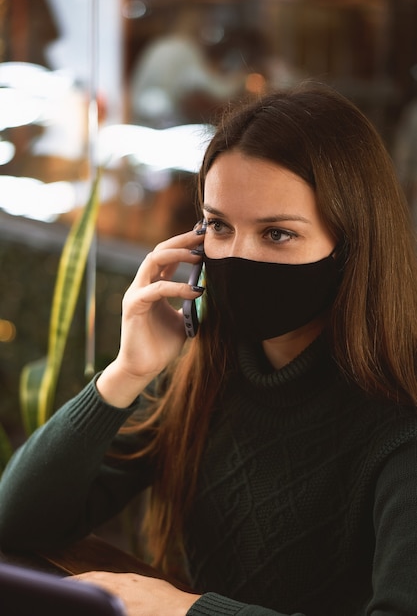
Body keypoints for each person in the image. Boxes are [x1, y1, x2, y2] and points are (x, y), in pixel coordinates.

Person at [1, 82, 417, 616]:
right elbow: (20, 521)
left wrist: (189, 611)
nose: (237, 257)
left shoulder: (399, 424)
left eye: (277, 234)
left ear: (352, 244)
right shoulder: (205, 374)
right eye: (219, 225)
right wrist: (128, 371)